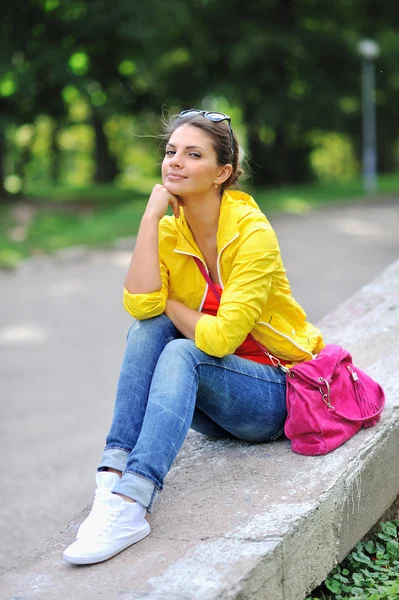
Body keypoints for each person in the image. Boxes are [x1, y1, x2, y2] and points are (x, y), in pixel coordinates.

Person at [63, 109, 324, 565]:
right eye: (170, 152)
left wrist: (168, 302)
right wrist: (149, 219)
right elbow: (143, 308)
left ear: (223, 173)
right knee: (151, 328)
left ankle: (132, 502)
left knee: (185, 349)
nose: (174, 162)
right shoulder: (169, 230)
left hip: (275, 391)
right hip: (218, 401)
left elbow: (220, 339)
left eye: (192, 154)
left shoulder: (253, 234)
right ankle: (112, 475)